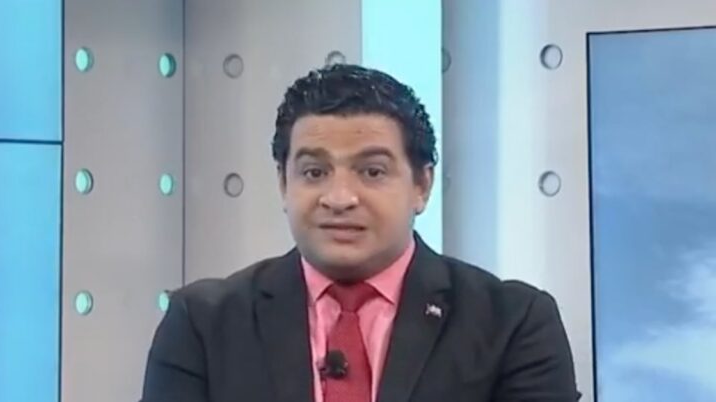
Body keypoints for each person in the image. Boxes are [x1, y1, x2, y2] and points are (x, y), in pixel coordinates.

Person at [140, 64, 580, 402]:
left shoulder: (513, 323)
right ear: (283, 183)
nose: (339, 198)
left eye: (372, 171)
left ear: (422, 185)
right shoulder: (202, 324)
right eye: (314, 172)